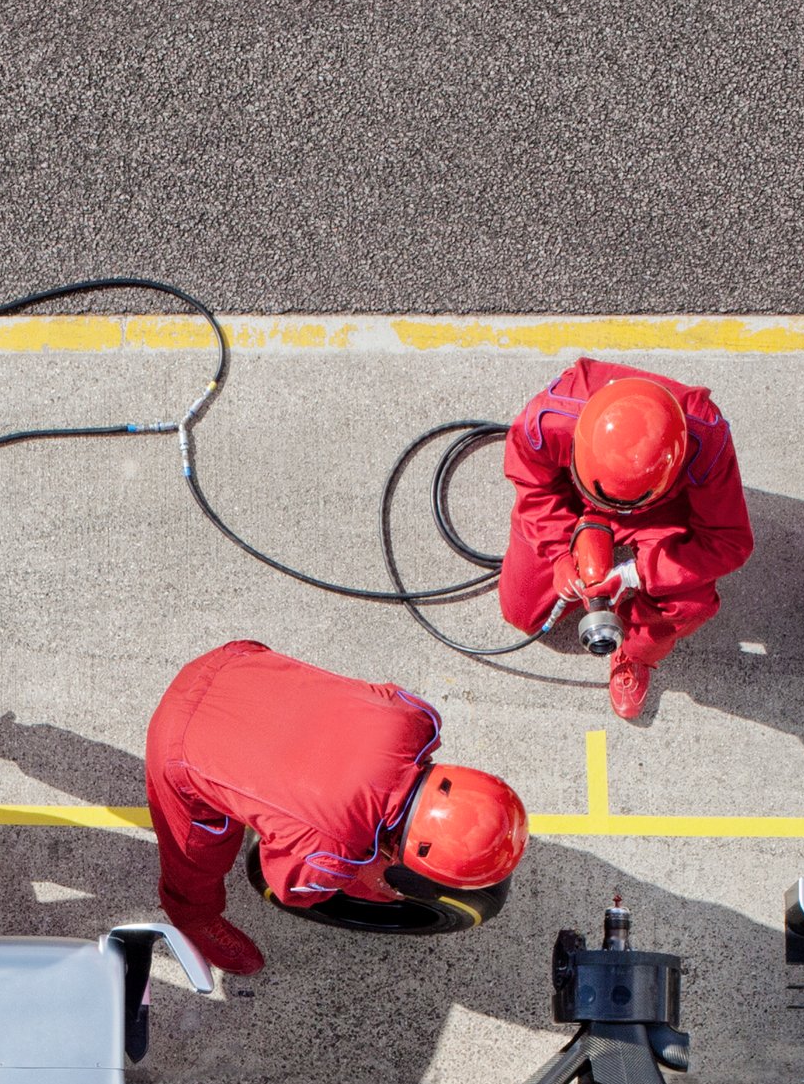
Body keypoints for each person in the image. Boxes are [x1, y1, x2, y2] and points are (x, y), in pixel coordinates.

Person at [140, 643, 528, 978]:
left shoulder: (418, 719)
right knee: (194, 860)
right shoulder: (329, 855)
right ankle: (194, 920)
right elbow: (285, 885)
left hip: (237, 661)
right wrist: (359, 868)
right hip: (179, 744)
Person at [497, 361, 753, 723]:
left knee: (689, 603)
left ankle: (634, 653)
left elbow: (729, 543)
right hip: (575, 496)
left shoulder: (706, 441)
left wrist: (638, 573)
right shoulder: (548, 418)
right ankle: (587, 512)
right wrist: (557, 554)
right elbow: (534, 486)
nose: (610, 513)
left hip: (658, 514)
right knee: (522, 612)